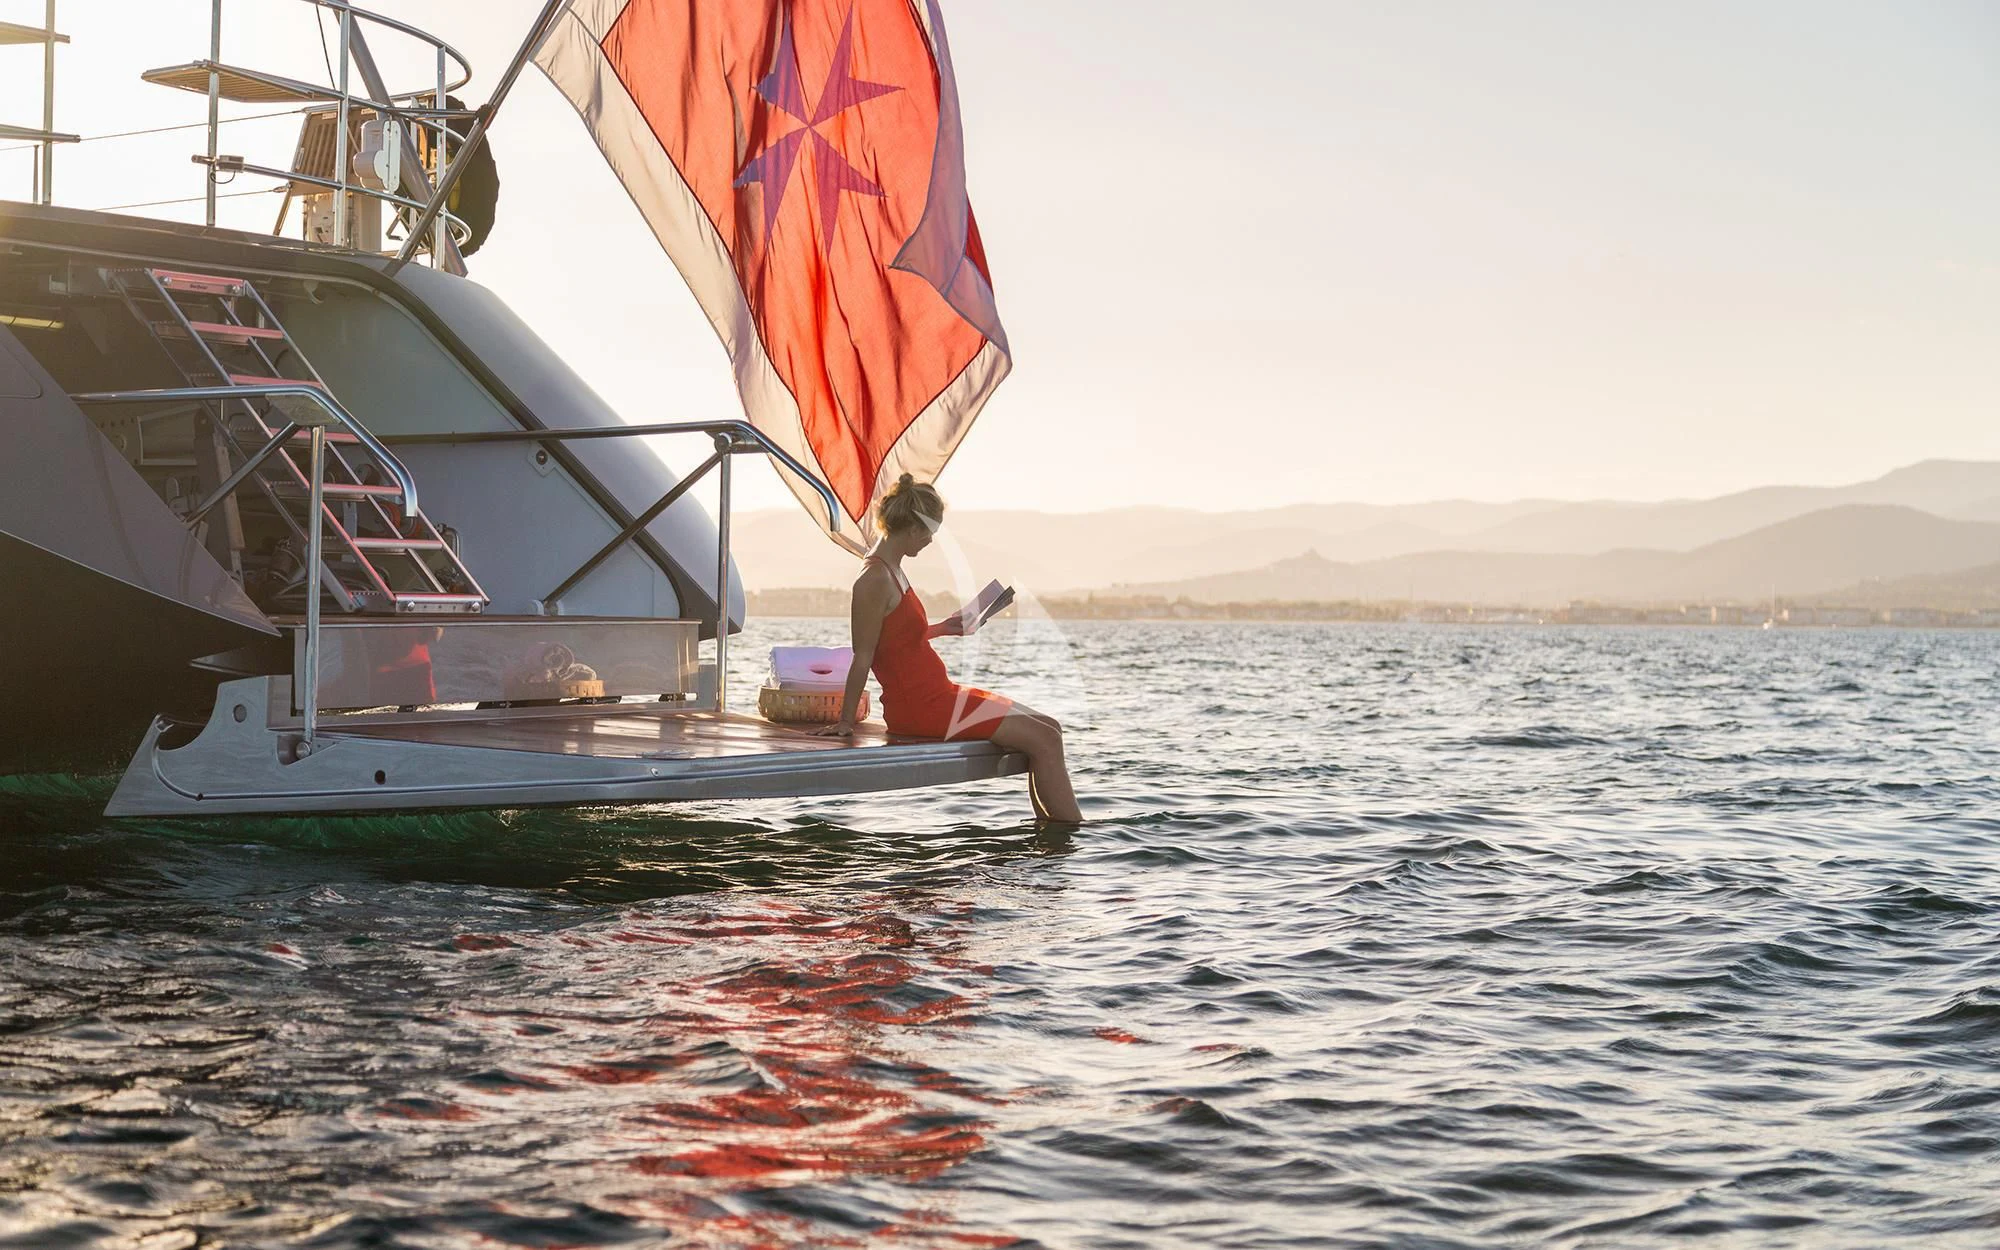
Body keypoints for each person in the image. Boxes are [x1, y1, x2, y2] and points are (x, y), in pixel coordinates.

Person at [814, 475, 1083, 824]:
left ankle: (1051, 827)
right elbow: (864, 653)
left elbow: (898, 639)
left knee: (1049, 728)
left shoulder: (893, 570)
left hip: (938, 693)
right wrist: (846, 721)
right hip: (921, 706)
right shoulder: (873, 580)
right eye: (929, 533)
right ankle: (1071, 834)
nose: (929, 542)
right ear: (912, 528)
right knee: (1044, 740)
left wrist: (946, 627)